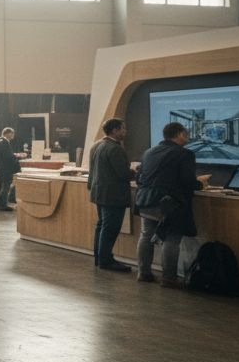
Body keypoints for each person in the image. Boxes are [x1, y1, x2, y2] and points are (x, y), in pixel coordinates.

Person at [134, 121, 210, 287]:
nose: (187, 137)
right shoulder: (184, 154)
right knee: (172, 238)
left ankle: (143, 273)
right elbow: (187, 181)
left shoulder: (149, 152)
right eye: (186, 134)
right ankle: (169, 278)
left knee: (146, 235)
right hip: (169, 203)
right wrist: (201, 184)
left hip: (146, 200)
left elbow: (139, 177)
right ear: (181, 134)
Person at [87, 118, 134, 273]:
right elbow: (124, 174)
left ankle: (99, 258)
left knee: (102, 226)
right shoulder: (115, 148)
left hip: (99, 193)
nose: (125, 131)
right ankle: (106, 260)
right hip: (113, 195)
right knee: (110, 228)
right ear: (115, 130)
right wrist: (137, 172)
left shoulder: (97, 145)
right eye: (123, 128)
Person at [0, 127, 22, 211]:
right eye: (12, 133)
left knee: (1, 187)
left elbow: (4, 154)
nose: (13, 135)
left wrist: (14, 155)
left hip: (0, 168)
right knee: (5, 187)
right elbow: (8, 157)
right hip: (6, 169)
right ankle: (2, 205)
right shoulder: (4, 142)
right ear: (8, 133)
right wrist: (18, 156)